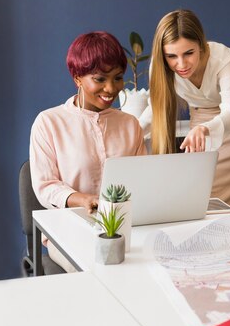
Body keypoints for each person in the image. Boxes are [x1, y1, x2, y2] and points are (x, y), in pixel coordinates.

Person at [30, 31, 146, 272]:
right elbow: (46, 185)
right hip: (69, 229)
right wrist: (81, 199)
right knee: (99, 269)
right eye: (100, 79)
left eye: (117, 78)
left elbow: (141, 181)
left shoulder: (129, 124)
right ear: (77, 78)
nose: (111, 88)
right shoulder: (49, 122)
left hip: (125, 229)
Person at [139, 9, 230, 216]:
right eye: (172, 56)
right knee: (200, 196)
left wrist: (205, 128)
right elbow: (154, 109)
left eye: (189, 53)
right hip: (201, 120)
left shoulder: (222, 58)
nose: (181, 64)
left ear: (201, 45)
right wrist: (130, 133)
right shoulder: (160, 67)